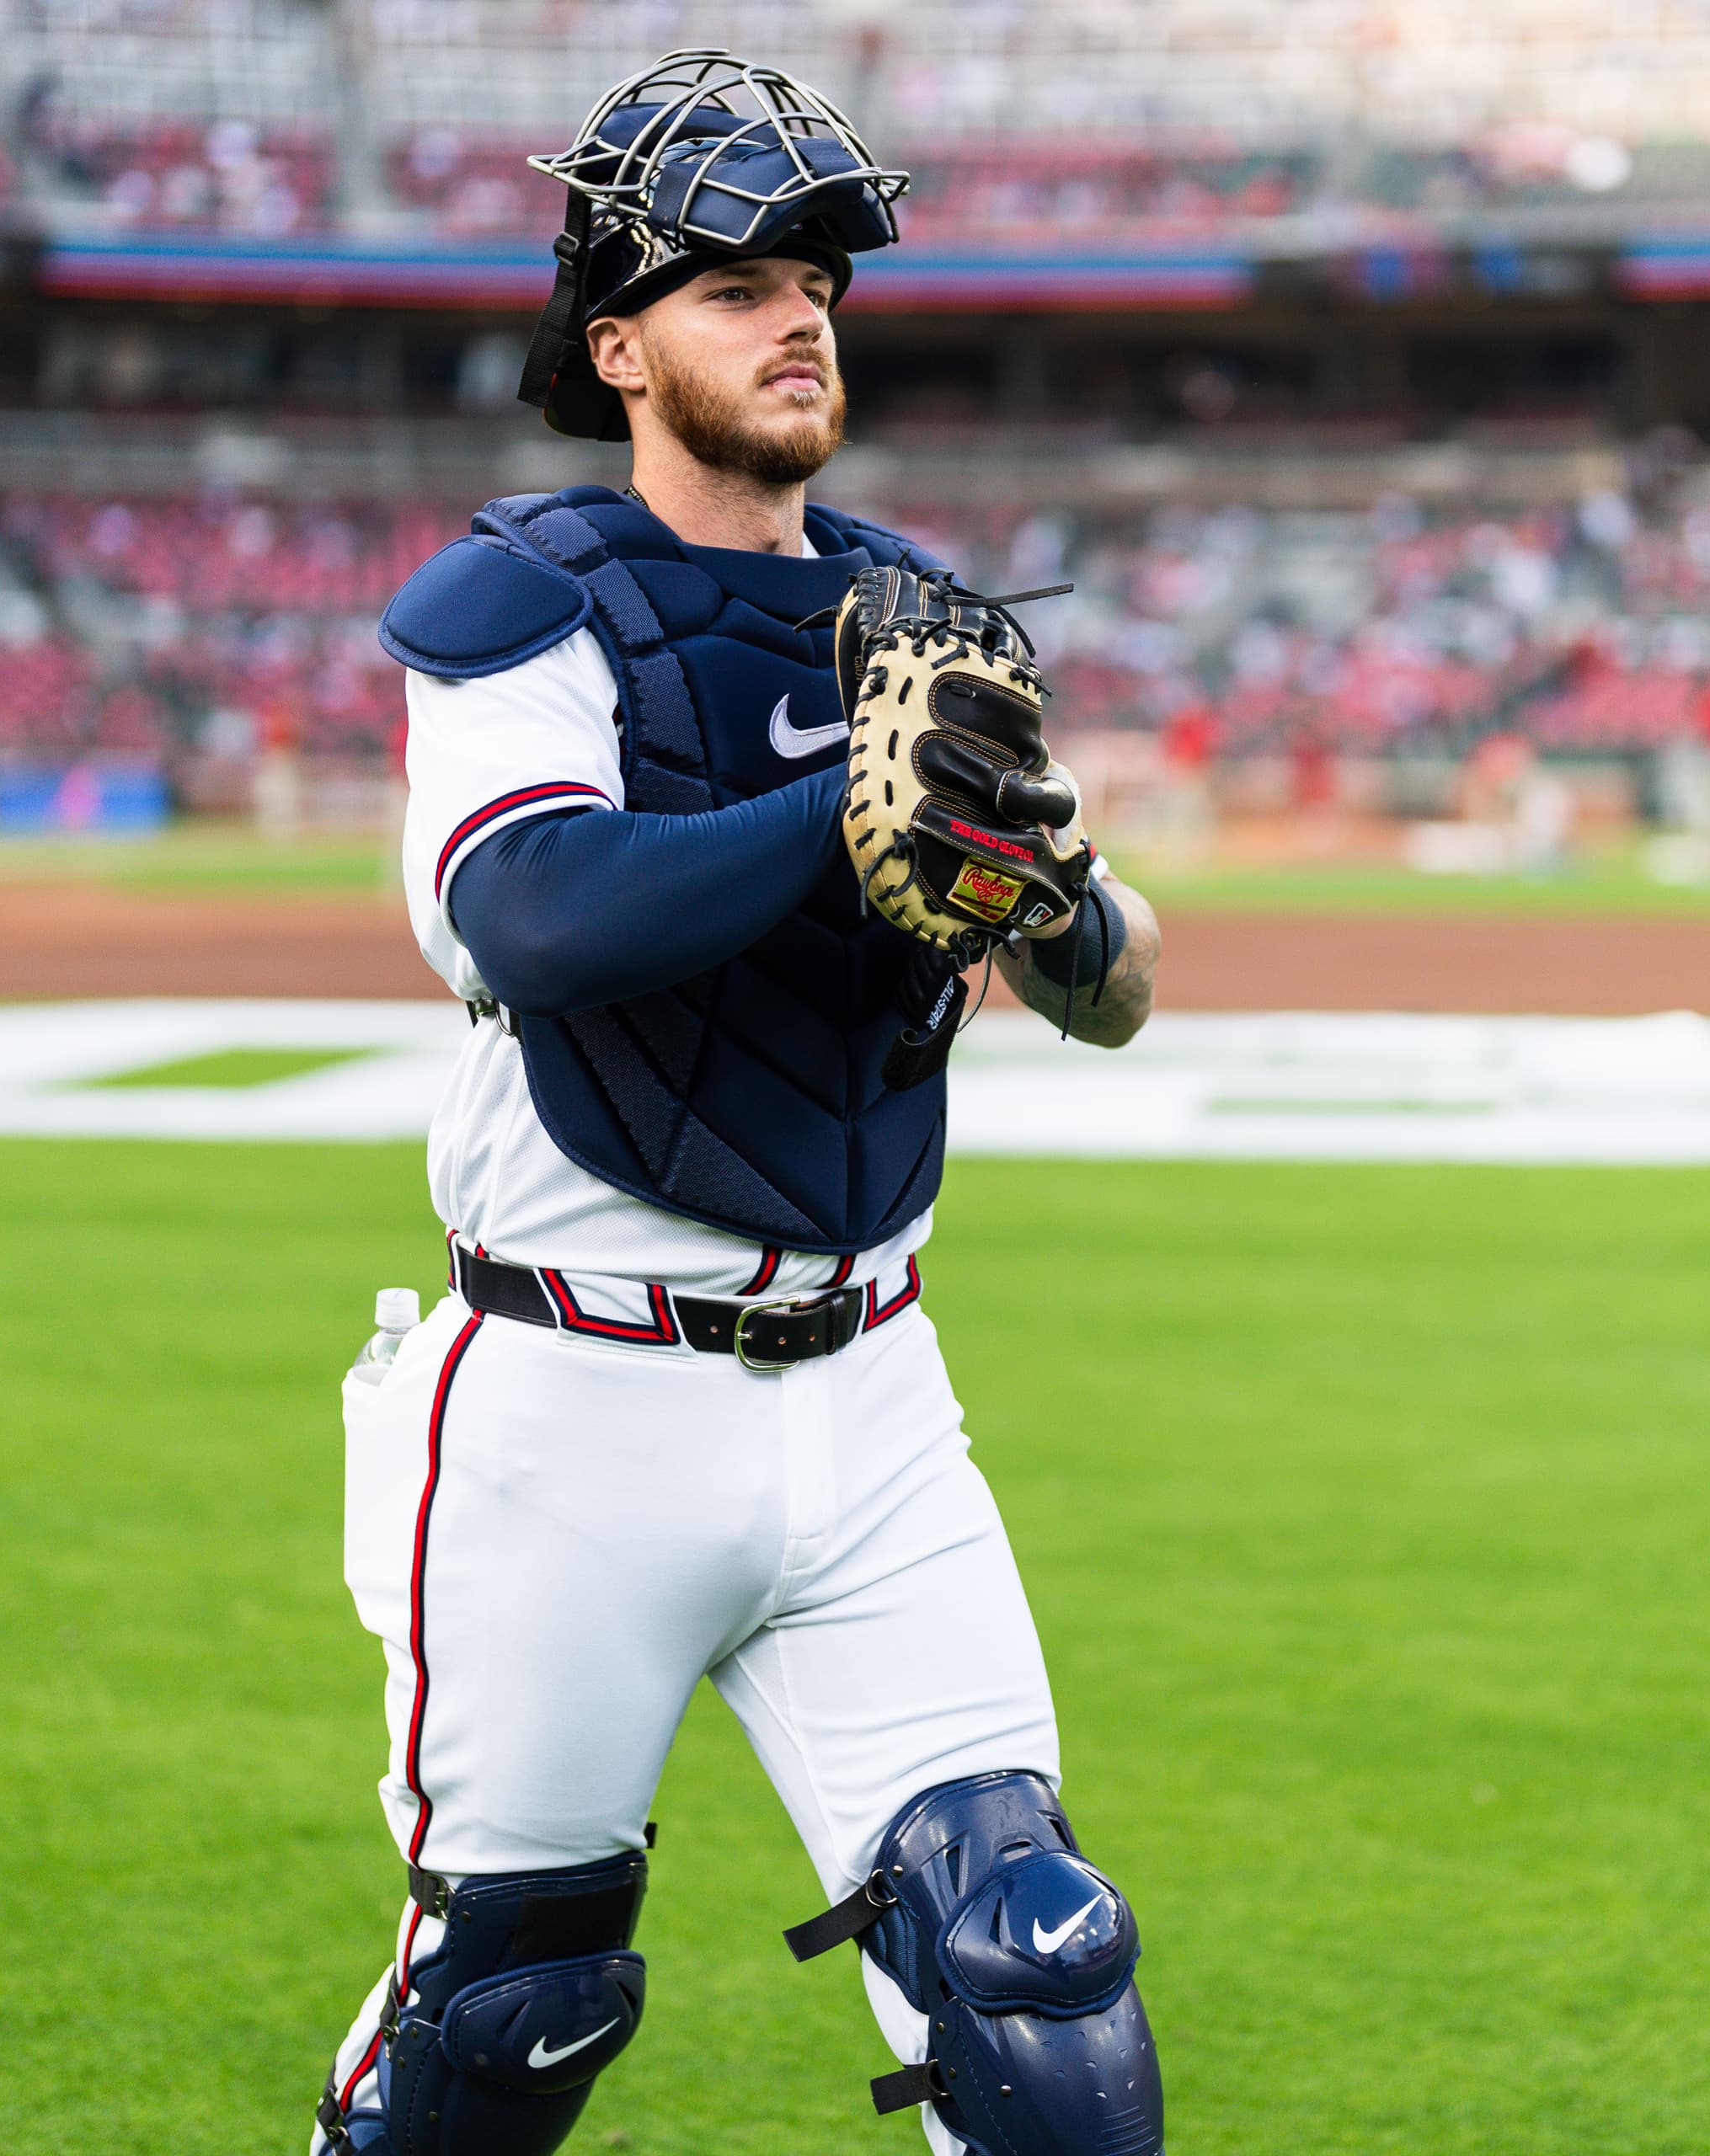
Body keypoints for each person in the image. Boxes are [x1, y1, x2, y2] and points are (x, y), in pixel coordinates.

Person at [314, 52, 1169, 2156]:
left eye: (816, 286)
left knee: (1037, 1968)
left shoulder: (928, 622)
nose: (799, 321)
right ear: (616, 345)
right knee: (510, 2008)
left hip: (876, 1399)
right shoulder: (526, 597)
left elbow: (1120, 984)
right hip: (569, 1403)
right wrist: (839, 806)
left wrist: (1049, 894)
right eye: (733, 288)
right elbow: (524, 912)